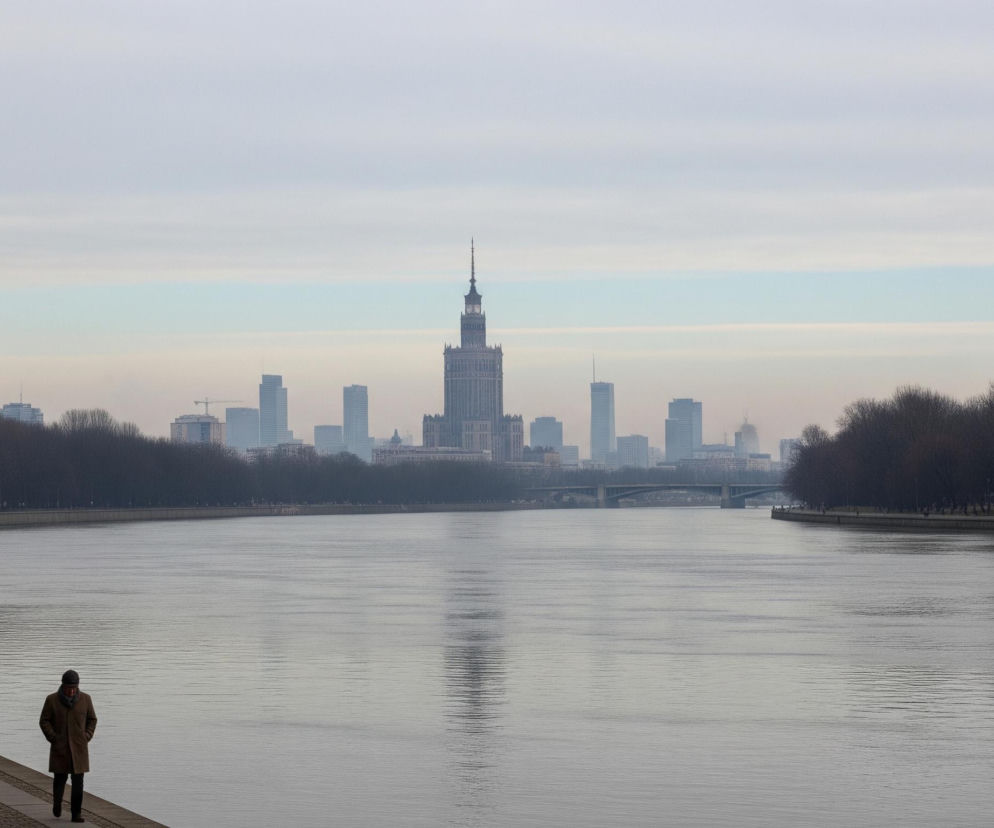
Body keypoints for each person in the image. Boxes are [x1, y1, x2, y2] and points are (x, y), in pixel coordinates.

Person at [39, 670, 97, 823]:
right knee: (60, 780)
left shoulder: (86, 699)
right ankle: (57, 803)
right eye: (68, 688)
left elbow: (92, 719)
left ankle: (76, 813)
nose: (71, 691)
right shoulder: (51, 700)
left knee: (78, 782)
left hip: (79, 749)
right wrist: (53, 738)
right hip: (60, 748)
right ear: (62, 686)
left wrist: (87, 736)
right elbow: (44, 721)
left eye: (74, 688)